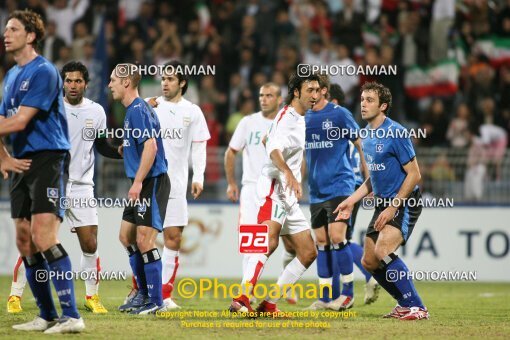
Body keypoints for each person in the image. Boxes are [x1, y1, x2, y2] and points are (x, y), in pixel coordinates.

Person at [6, 61, 122, 315]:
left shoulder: (97, 112)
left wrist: (121, 152)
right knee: (37, 240)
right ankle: (14, 295)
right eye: (68, 81)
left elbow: (101, 147)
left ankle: (92, 296)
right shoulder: (48, 109)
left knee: (90, 243)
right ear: (62, 83)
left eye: (77, 81)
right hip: (52, 182)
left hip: (82, 187)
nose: (72, 85)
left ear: (86, 84)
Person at [0, 10, 84, 333]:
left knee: (43, 236)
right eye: (5, 29)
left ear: (31, 36)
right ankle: (47, 315)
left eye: (13, 29)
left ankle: (73, 316)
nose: (6, 34)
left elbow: (19, 121)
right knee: (25, 241)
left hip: (47, 158)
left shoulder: (44, 72)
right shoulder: (9, 76)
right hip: (20, 162)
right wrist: (4, 158)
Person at [335, 82, 429, 320]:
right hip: (382, 203)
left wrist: (393, 206)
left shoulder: (396, 132)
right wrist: (350, 200)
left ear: (383, 106)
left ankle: (417, 307)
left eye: (369, 100)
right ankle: (403, 304)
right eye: (362, 99)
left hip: (403, 200)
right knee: (368, 260)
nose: (363, 104)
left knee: (383, 249)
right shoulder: (365, 136)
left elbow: (415, 174)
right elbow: (371, 180)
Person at [229, 72, 320, 315]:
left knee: (308, 252)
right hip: (274, 188)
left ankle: (269, 304)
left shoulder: (296, 117)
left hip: (287, 194)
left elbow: (269, 138)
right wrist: (288, 173)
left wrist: (290, 175)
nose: (315, 95)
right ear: (297, 92)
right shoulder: (289, 118)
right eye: (310, 90)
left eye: (317, 90)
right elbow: (272, 147)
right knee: (268, 241)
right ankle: (241, 297)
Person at [143, 60, 211, 310]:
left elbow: (199, 145)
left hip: (176, 184)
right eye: (163, 78)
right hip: (149, 183)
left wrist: (199, 177)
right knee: (141, 239)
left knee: (173, 237)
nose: (164, 83)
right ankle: (142, 293)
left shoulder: (192, 111)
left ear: (182, 82)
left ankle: (164, 295)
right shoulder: (150, 106)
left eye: (170, 79)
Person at [225, 82, 297, 304]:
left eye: (269, 95)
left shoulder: (286, 124)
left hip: (278, 190)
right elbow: (230, 152)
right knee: (252, 242)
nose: (263, 99)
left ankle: (285, 286)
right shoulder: (248, 122)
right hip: (251, 189)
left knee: (292, 243)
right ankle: (246, 292)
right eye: (261, 95)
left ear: (279, 99)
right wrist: (231, 183)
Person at [303, 77, 368, 311]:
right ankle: (325, 296)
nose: (309, 94)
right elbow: (304, 154)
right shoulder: (305, 117)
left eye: (313, 89)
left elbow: (360, 143)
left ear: (323, 91)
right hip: (316, 190)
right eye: (306, 89)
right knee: (321, 242)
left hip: (341, 186)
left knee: (338, 236)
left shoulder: (339, 114)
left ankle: (348, 295)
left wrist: (367, 172)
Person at [110, 63, 170, 315]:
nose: (109, 84)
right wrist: (127, 147)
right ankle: (143, 294)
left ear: (126, 82)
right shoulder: (135, 109)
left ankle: (156, 301)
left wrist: (136, 183)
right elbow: (142, 143)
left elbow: (151, 147)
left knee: (145, 240)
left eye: (113, 80)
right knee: (126, 237)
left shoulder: (137, 109)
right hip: (141, 181)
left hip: (150, 181)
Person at [330, 83, 379, 305]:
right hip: (355, 186)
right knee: (340, 239)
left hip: (343, 188)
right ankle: (341, 291)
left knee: (337, 240)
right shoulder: (352, 129)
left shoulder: (335, 128)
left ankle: (344, 292)